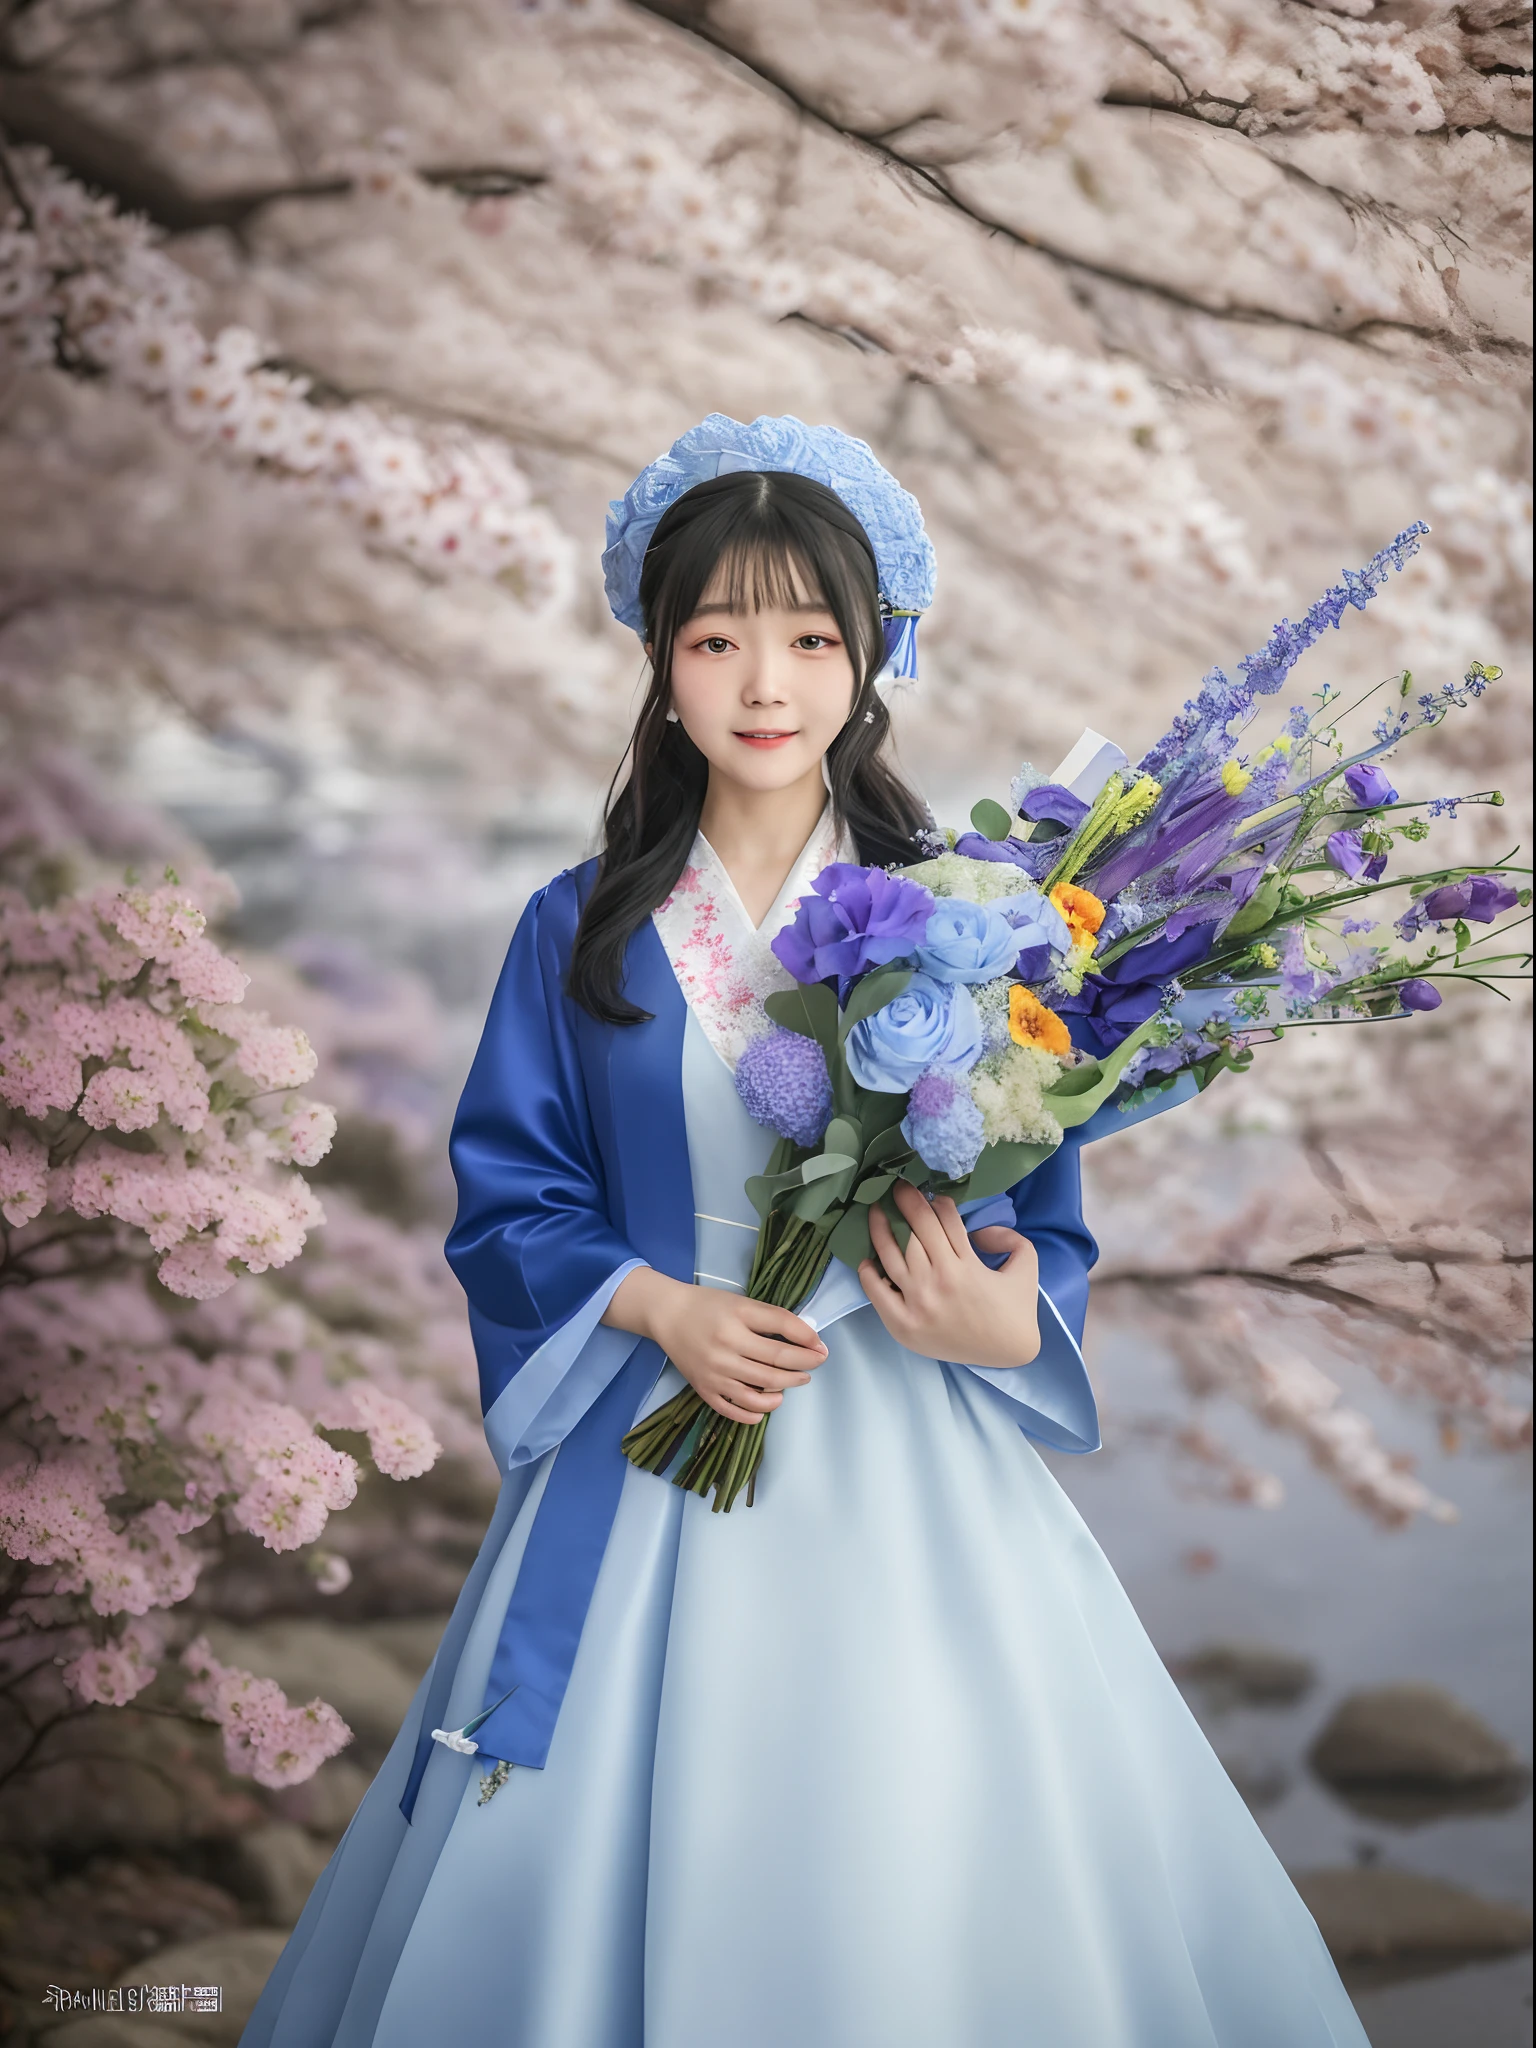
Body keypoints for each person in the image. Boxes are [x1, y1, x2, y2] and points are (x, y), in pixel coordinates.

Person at [242, 416, 1369, 2048]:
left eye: (809, 638)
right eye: (717, 639)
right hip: (654, 1429)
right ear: (662, 663)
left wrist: (1009, 1316)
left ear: (872, 655)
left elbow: (1039, 1214)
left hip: (907, 1446)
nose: (764, 681)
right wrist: (656, 1307)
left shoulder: (980, 916)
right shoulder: (581, 928)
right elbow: (509, 1199)